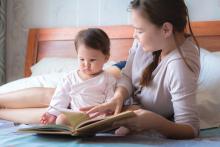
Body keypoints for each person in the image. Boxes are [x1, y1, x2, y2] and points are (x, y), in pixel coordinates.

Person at [80, 0, 200, 139]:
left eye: (140, 30)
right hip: (127, 69)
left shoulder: (180, 66)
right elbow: (127, 76)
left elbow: (190, 128)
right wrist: (118, 97)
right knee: (87, 81)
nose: (134, 35)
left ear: (166, 29)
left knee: (88, 94)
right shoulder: (150, 41)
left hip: (141, 84)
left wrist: (156, 123)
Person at [0, 28, 122, 124]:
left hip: (97, 117)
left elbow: (110, 100)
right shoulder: (70, 78)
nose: (86, 64)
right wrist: (52, 114)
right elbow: (60, 98)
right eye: (81, 59)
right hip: (76, 114)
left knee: (114, 121)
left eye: (92, 60)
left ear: (106, 58)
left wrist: (107, 112)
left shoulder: (108, 79)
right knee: (61, 119)